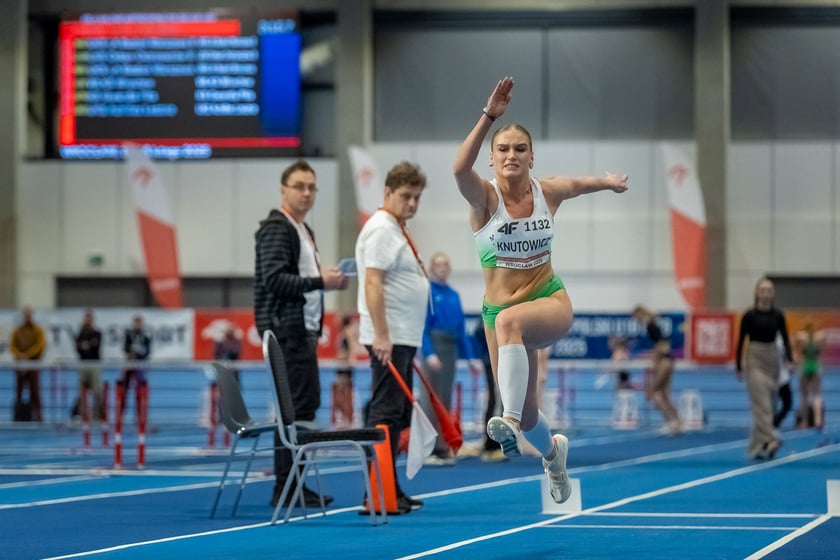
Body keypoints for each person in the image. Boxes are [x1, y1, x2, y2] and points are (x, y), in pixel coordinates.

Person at [453, 76, 629, 504]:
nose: (511, 155)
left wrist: (609, 182)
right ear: (492, 160)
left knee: (513, 339)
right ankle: (553, 453)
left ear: (532, 157)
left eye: (519, 149)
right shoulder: (483, 200)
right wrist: (488, 116)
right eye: (503, 149)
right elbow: (459, 168)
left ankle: (507, 420)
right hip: (498, 316)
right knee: (534, 412)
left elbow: (580, 184)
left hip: (548, 300)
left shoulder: (546, 191)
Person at [254, 158, 348, 509]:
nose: (307, 193)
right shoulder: (277, 228)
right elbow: (274, 280)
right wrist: (321, 281)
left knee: (304, 408)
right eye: (300, 186)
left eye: (312, 187)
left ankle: (294, 483)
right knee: (294, 411)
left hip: (301, 332)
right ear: (284, 190)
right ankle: (286, 485)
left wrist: (321, 278)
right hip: (286, 332)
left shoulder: (302, 230)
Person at [355, 160, 429, 514]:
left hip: (400, 336)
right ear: (387, 193)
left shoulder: (395, 228)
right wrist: (381, 334)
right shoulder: (382, 229)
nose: (412, 203)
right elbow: (373, 282)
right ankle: (377, 493)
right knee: (385, 411)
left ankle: (389, 488)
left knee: (397, 413)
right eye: (406, 196)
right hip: (389, 337)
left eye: (417, 197)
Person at [420, 251, 482, 466]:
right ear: (431, 267)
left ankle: (442, 446)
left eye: (445, 264)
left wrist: (471, 358)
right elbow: (422, 326)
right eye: (438, 264)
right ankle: (427, 448)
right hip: (434, 347)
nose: (442, 267)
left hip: (451, 349)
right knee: (430, 399)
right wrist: (429, 354)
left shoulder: (453, 295)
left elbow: (461, 329)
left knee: (445, 399)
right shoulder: (426, 292)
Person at [735, 276, 793, 460]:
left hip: (772, 359)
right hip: (754, 358)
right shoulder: (749, 316)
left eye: (769, 291)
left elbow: (785, 338)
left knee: (768, 404)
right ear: (757, 293)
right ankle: (770, 439)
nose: (766, 294)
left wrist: (788, 360)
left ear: (773, 294)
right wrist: (738, 366)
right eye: (763, 291)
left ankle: (757, 447)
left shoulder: (778, 316)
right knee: (762, 405)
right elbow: (741, 341)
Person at [632, 305, 681, 435]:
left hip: (664, 361)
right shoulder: (654, 325)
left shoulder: (650, 326)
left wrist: (655, 360)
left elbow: (662, 347)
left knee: (654, 392)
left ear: (639, 314)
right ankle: (677, 422)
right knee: (665, 395)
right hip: (668, 361)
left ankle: (670, 420)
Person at [470, 321, 506, 462]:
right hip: (494, 360)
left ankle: (497, 441)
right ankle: (491, 444)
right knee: (496, 400)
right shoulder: (493, 310)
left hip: (501, 359)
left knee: (502, 401)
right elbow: (479, 331)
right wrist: (486, 352)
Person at [10, 307, 46, 422]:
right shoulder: (17, 331)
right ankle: (18, 415)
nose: (27, 317)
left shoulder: (38, 330)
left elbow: (40, 345)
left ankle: (38, 415)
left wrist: (28, 354)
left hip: (33, 364)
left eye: (29, 315)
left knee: (35, 391)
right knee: (19, 390)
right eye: (25, 315)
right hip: (20, 364)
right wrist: (19, 355)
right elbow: (12, 346)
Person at [73, 308, 104, 421]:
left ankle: (97, 415)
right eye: (86, 318)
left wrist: (86, 346)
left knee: (97, 391)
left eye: (90, 318)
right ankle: (81, 414)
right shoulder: (80, 333)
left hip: (94, 365)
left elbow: (95, 348)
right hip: (83, 365)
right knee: (82, 391)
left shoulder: (97, 333)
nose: (88, 320)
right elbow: (78, 348)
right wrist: (87, 346)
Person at [795, 321, 826, 430]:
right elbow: (822, 348)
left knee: (804, 396)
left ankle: (805, 421)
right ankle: (818, 420)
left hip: (805, 366)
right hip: (816, 365)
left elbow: (796, 348)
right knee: (817, 394)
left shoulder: (801, 336)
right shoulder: (821, 336)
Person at [121, 314, 151, 414]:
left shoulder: (145, 338)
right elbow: (125, 349)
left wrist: (139, 351)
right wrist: (134, 350)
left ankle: (140, 413)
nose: (137, 325)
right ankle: (121, 411)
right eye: (136, 323)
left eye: (139, 323)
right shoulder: (129, 336)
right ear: (133, 324)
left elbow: (147, 352)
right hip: (129, 365)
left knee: (139, 390)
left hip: (140, 366)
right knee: (124, 388)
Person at [333, 313, 359, 429]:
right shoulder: (343, 332)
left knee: (344, 394)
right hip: (341, 364)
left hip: (345, 366)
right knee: (341, 393)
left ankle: (346, 418)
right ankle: (344, 417)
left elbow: (352, 346)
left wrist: (351, 358)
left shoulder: (348, 331)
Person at [772, 333, 793, 433]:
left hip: (781, 377)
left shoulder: (780, 337)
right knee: (773, 404)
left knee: (786, 404)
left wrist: (788, 363)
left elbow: (785, 354)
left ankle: (774, 424)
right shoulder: (776, 338)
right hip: (775, 376)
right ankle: (772, 426)